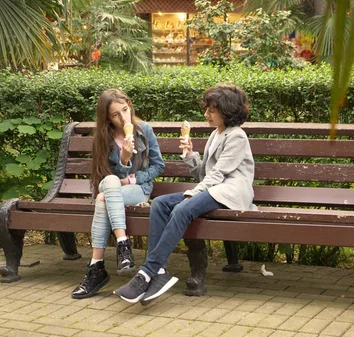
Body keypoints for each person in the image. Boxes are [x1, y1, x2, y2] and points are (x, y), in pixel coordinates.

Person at [114, 83, 256, 305]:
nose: (206, 113)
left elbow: (218, 175)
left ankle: (146, 273)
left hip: (231, 194)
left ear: (227, 111)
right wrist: (190, 154)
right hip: (213, 190)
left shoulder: (237, 136)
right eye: (207, 108)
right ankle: (158, 271)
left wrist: (193, 194)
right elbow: (204, 174)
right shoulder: (216, 134)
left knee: (182, 209)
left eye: (212, 109)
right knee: (160, 203)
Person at [72, 89, 165, 299]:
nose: (123, 117)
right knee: (111, 184)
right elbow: (106, 176)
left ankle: (97, 267)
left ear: (130, 105)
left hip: (138, 190)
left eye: (125, 110)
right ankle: (123, 245)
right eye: (116, 114)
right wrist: (123, 160)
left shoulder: (144, 130)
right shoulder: (104, 138)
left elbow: (159, 166)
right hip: (111, 188)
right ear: (107, 118)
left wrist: (132, 178)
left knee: (102, 200)